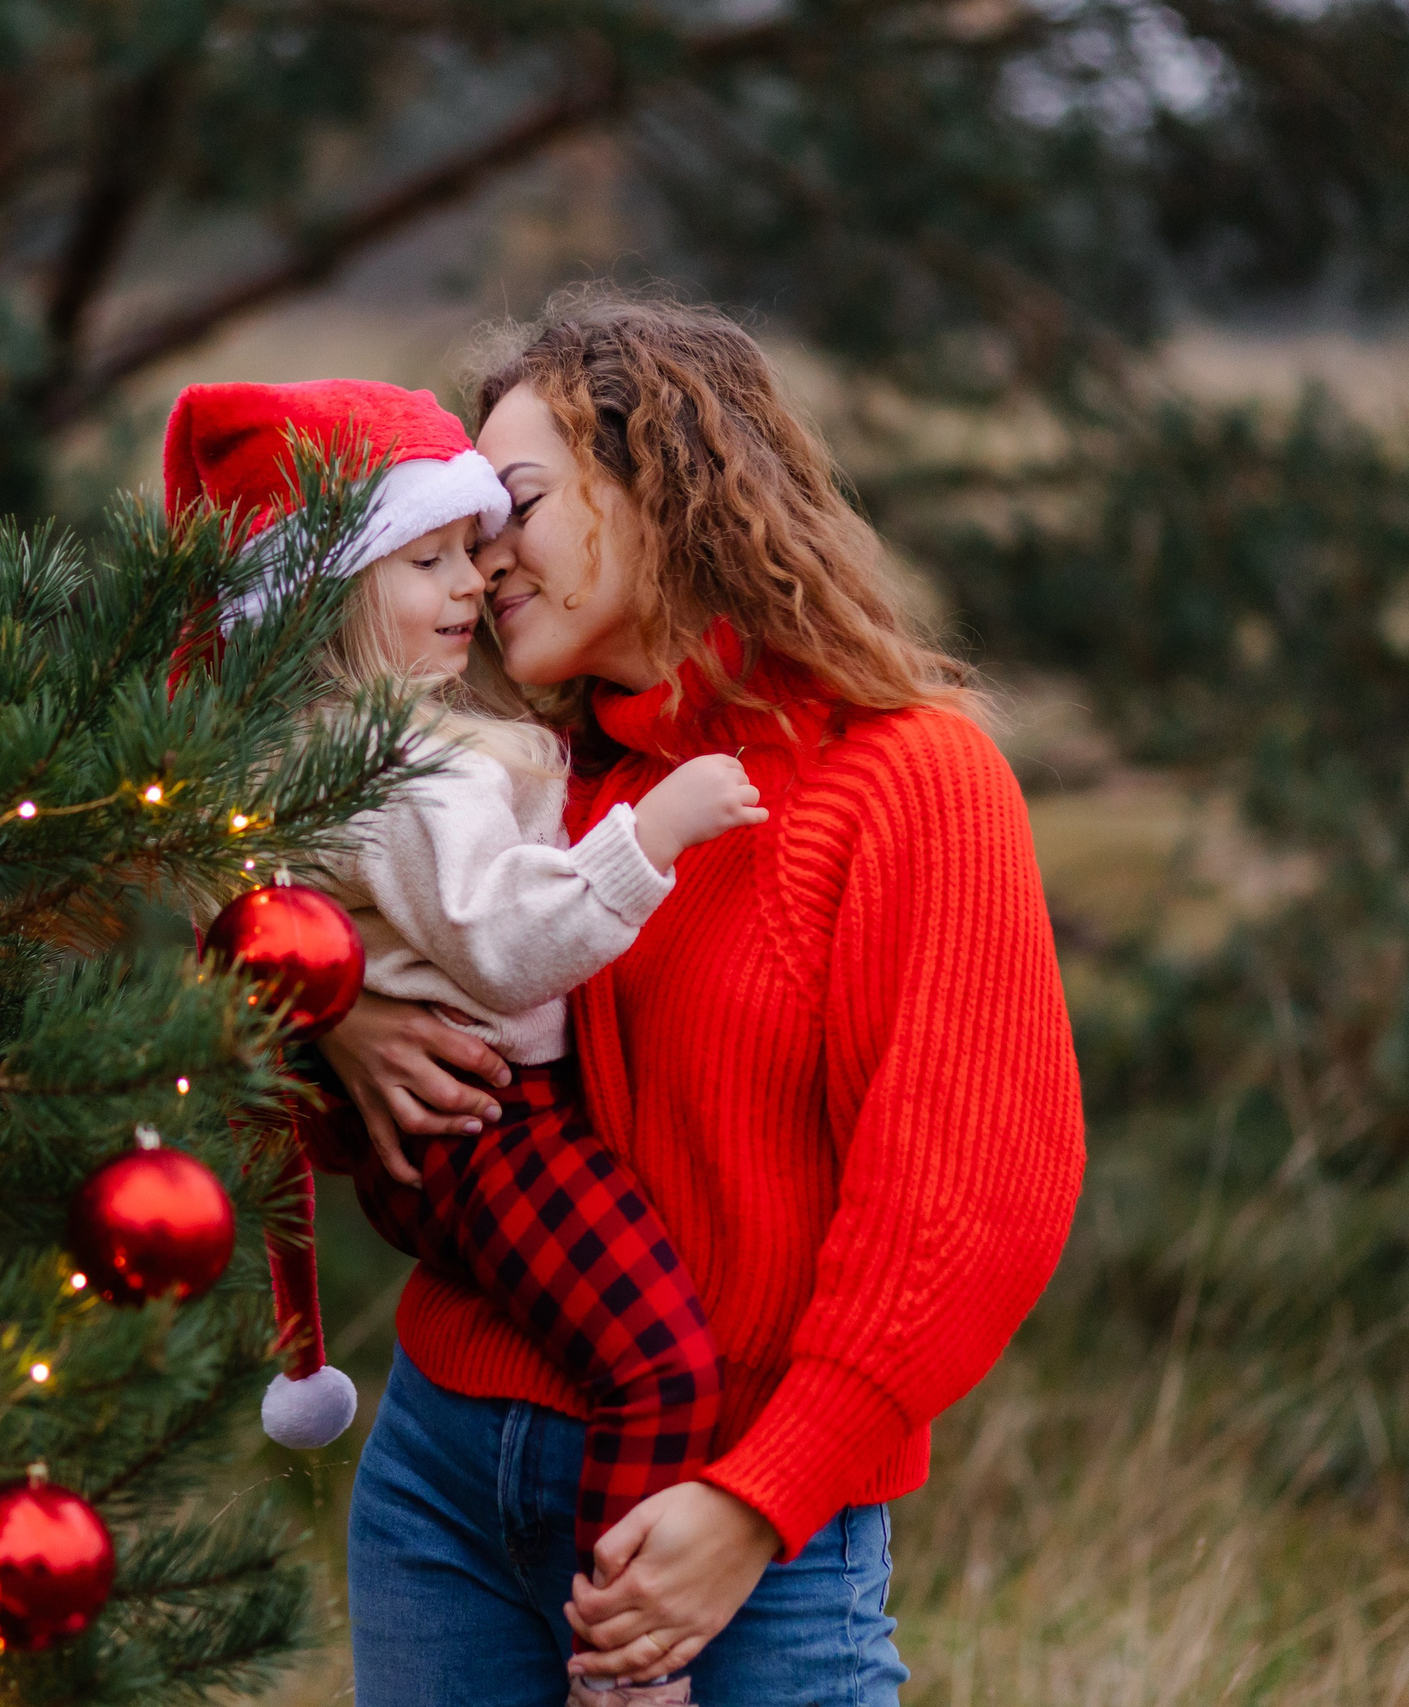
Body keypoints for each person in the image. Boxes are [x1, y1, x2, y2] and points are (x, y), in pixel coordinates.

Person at [318, 296, 1089, 1707]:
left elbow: (971, 1202)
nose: (483, 560)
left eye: (517, 506)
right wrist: (337, 1023)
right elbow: (254, 1013)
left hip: (739, 1530)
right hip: (442, 1482)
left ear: (665, 486)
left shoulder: (909, 780)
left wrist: (761, 1498)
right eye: (463, 530)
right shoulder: (520, 786)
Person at [163, 380, 763, 1703]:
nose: (472, 581)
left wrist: (344, 1008)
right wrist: (652, 836)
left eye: (472, 550)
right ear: (325, 595)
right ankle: (626, 1665)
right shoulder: (401, 771)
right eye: (425, 558)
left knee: (636, 1350)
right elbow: (504, 943)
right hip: (491, 1125)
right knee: (661, 1364)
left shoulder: (366, 738)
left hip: (460, 1130)